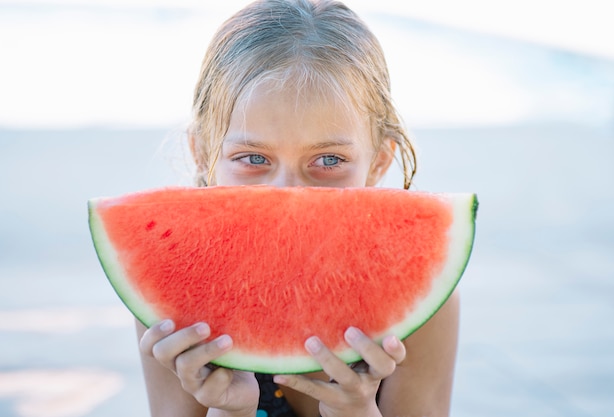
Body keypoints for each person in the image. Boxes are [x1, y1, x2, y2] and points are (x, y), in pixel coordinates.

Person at [137, 1, 460, 416]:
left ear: (379, 161)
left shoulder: (427, 304)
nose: (288, 194)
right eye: (254, 159)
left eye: (328, 161)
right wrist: (229, 410)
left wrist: (357, 411)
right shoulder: (176, 298)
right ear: (202, 154)